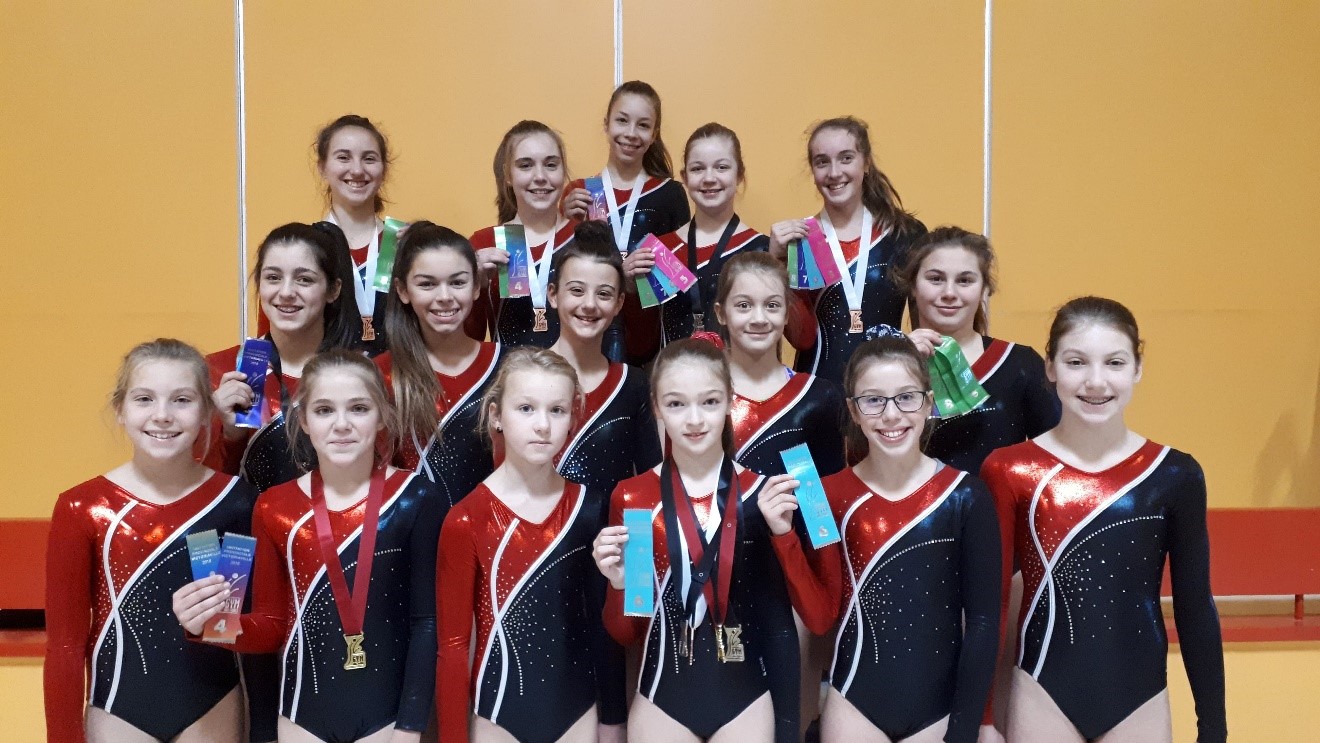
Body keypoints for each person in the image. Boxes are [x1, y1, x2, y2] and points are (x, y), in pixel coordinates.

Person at [980, 297, 1226, 743]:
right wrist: (981, 720)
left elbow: (1195, 608)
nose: (1096, 382)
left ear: (1137, 368)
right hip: (1041, 693)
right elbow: (988, 606)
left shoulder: (1174, 475)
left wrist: (1213, 727)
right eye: (1076, 362)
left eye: (1114, 363)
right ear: (1050, 367)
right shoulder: (1010, 470)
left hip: (1139, 699)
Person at [174, 350, 445, 742]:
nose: (341, 424)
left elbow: (427, 624)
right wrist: (206, 625)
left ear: (383, 416)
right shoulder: (273, 507)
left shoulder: (417, 498)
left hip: (389, 725)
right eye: (324, 410)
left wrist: (410, 727)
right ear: (303, 420)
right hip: (300, 722)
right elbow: (271, 626)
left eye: (358, 408)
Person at [767, 336, 1002, 743]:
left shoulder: (966, 496)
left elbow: (983, 623)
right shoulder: (826, 497)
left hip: (939, 713)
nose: (891, 415)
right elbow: (820, 617)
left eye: (907, 397)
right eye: (873, 400)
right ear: (854, 411)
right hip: (853, 707)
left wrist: (965, 730)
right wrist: (784, 537)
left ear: (929, 404)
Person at [44, 339, 259, 743]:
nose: (162, 415)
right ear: (120, 410)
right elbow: (64, 646)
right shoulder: (83, 507)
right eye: (144, 399)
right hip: (118, 712)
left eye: (182, 400)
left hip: (212, 708)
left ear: (207, 412)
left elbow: (237, 627)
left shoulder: (236, 503)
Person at [592, 338, 801, 742]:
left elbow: (779, 625)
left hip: (746, 705)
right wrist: (619, 585)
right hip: (661, 705)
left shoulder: (762, 496)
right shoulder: (634, 497)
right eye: (676, 404)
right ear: (656, 407)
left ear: (730, 401)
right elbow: (627, 633)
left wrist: (789, 728)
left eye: (709, 402)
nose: (694, 420)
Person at [436, 347, 624, 743]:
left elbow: (603, 629)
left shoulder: (591, 508)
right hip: (497, 719)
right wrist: (453, 737)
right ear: (496, 415)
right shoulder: (465, 520)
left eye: (557, 410)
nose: (542, 425)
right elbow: (453, 647)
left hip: (578, 716)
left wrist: (613, 720)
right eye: (525, 409)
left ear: (573, 418)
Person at [768, 116, 927, 384]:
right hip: (817, 389)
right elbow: (801, 338)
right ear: (813, 171)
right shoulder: (802, 240)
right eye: (822, 162)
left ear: (866, 163)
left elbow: (926, 326)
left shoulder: (905, 234)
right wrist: (776, 263)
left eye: (846, 158)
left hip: (887, 388)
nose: (834, 172)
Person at [891, 226, 1059, 474]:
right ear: (913, 287)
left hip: (996, 501)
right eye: (936, 279)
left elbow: (1058, 459)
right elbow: (859, 455)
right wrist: (896, 364)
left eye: (965, 281)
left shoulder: (1020, 365)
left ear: (984, 289)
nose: (949, 293)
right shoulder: (882, 365)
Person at [207, 222, 359, 494]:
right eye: (273, 277)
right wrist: (230, 436)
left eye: (304, 280)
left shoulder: (360, 374)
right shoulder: (219, 371)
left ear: (333, 290)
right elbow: (200, 496)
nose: (286, 292)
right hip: (248, 522)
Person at [622, 123, 786, 355]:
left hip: (741, 376)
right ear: (685, 177)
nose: (709, 178)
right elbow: (642, 346)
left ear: (739, 174)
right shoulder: (660, 251)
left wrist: (781, 262)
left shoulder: (762, 249)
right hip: (675, 374)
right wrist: (630, 289)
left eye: (721, 167)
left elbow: (786, 337)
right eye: (698, 169)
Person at [562, 81, 691, 364]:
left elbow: (680, 282)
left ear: (654, 134)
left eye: (643, 125)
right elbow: (560, 271)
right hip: (589, 332)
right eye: (622, 121)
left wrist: (635, 281)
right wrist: (562, 218)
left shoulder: (670, 194)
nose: (631, 133)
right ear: (606, 124)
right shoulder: (580, 193)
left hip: (650, 342)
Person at [378, 221, 502, 507]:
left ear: (476, 286)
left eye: (457, 282)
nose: (445, 297)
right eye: (427, 284)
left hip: (495, 529)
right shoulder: (379, 375)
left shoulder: (510, 367)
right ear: (403, 290)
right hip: (409, 531)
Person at [547, 221, 662, 492]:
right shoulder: (522, 376)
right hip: (534, 522)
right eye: (577, 290)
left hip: (614, 521)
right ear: (553, 294)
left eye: (604, 294)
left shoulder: (632, 383)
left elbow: (648, 486)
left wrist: (636, 526)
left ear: (619, 303)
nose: (589, 304)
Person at [717, 251, 845, 478]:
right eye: (744, 305)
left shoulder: (816, 397)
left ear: (787, 314)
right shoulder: (700, 394)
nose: (759, 319)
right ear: (721, 313)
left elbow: (820, 497)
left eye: (772, 305)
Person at [468, 120, 578, 349]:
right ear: (508, 174)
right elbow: (468, 340)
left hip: (575, 371)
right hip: (507, 371)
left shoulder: (585, 238)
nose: (540, 176)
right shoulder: (484, 243)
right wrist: (472, 286)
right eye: (526, 166)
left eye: (551, 165)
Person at [316, 114, 400, 355]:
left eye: (369, 159)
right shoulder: (305, 247)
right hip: (326, 376)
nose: (357, 170)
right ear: (322, 167)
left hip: (398, 377)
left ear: (384, 169)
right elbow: (275, 338)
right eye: (343, 157)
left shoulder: (403, 242)